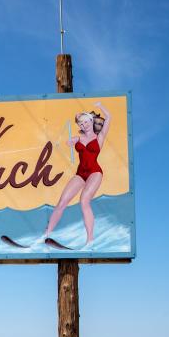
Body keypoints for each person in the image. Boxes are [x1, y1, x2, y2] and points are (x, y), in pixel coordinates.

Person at [43, 101, 111, 246]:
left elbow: (109, 117)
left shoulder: (100, 137)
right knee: (62, 201)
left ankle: (90, 239)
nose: (83, 125)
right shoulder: (78, 138)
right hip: (80, 174)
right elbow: (71, 141)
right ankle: (47, 233)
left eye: (86, 122)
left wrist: (100, 106)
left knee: (84, 200)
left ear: (91, 121)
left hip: (94, 172)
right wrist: (71, 142)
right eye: (80, 123)